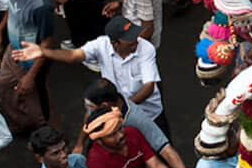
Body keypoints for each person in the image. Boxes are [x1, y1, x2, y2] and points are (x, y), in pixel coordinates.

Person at [23, 15, 163, 133]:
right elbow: (74, 56)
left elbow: (148, 87)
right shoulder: (100, 45)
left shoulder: (146, 48)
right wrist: (44, 52)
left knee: (161, 151)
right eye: (129, 38)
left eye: (134, 34)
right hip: (118, 115)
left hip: (150, 114)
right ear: (115, 43)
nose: (136, 40)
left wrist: (122, 106)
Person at [0, 0, 56, 127]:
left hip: (31, 61)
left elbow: (46, 42)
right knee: (3, 84)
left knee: (36, 101)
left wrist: (30, 76)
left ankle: (47, 133)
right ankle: (23, 123)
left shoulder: (42, 6)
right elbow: (12, 8)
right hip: (13, 50)